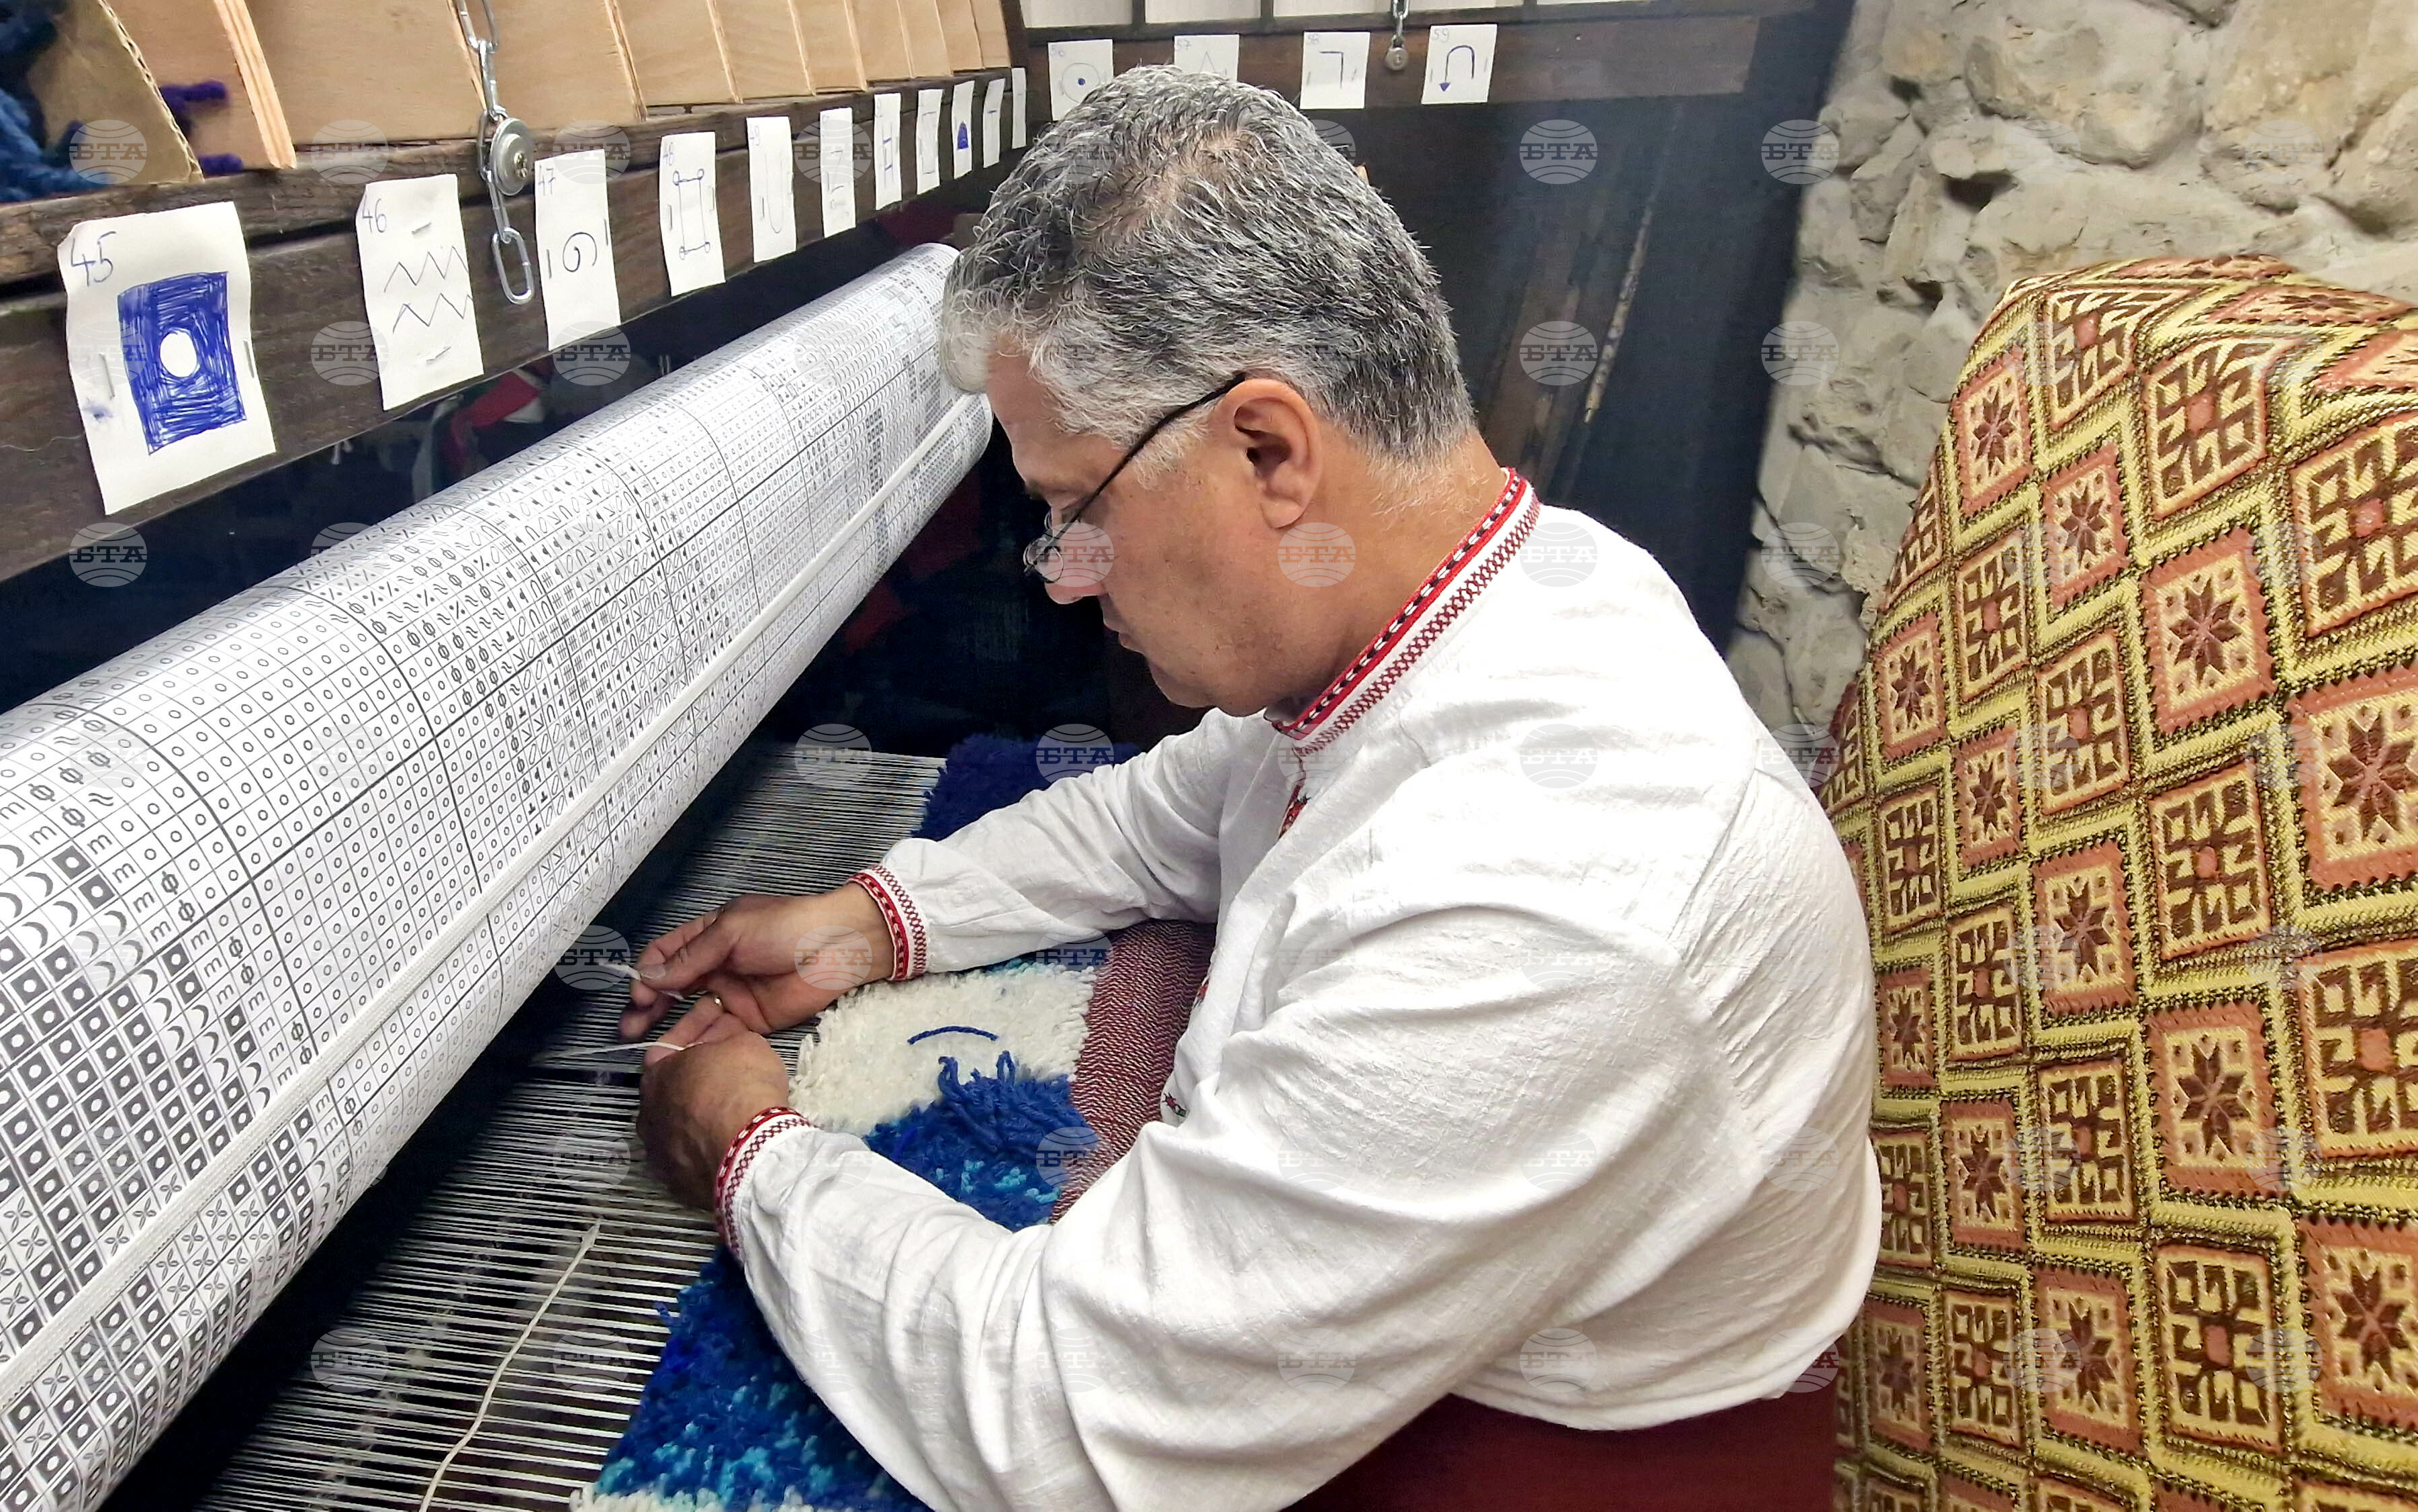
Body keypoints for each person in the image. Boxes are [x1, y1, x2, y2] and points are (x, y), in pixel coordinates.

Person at [623, 65, 1877, 1512]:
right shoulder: (1477, 600)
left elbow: (1060, 1416)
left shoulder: (1546, 896)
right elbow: (1168, 812)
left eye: (1073, 511)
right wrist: (871, 919)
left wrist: (747, 1150)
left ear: (1267, 449)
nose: (1064, 579)